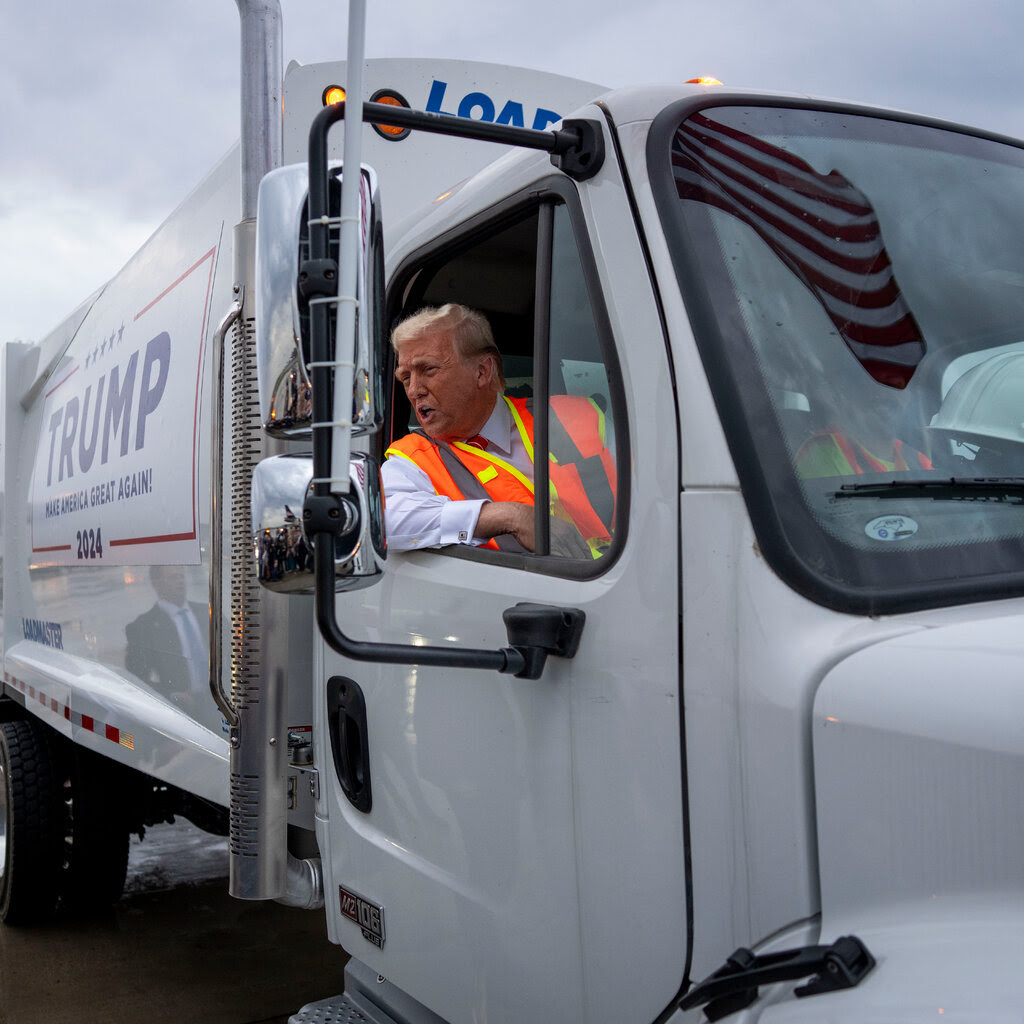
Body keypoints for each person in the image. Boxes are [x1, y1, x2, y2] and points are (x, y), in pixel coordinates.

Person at [382, 303, 615, 556]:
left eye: (428, 370)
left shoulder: (579, 417)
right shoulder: (413, 458)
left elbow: (655, 497)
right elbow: (382, 520)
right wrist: (509, 517)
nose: (415, 390)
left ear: (482, 371)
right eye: (405, 378)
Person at [125, 564, 210, 710]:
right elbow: (136, 679)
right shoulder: (143, 626)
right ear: (156, 584)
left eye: (181, 576)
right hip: (180, 709)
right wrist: (172, 695)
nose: (180, 581)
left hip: (218, 702)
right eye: (173, 577)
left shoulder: (207, 612)